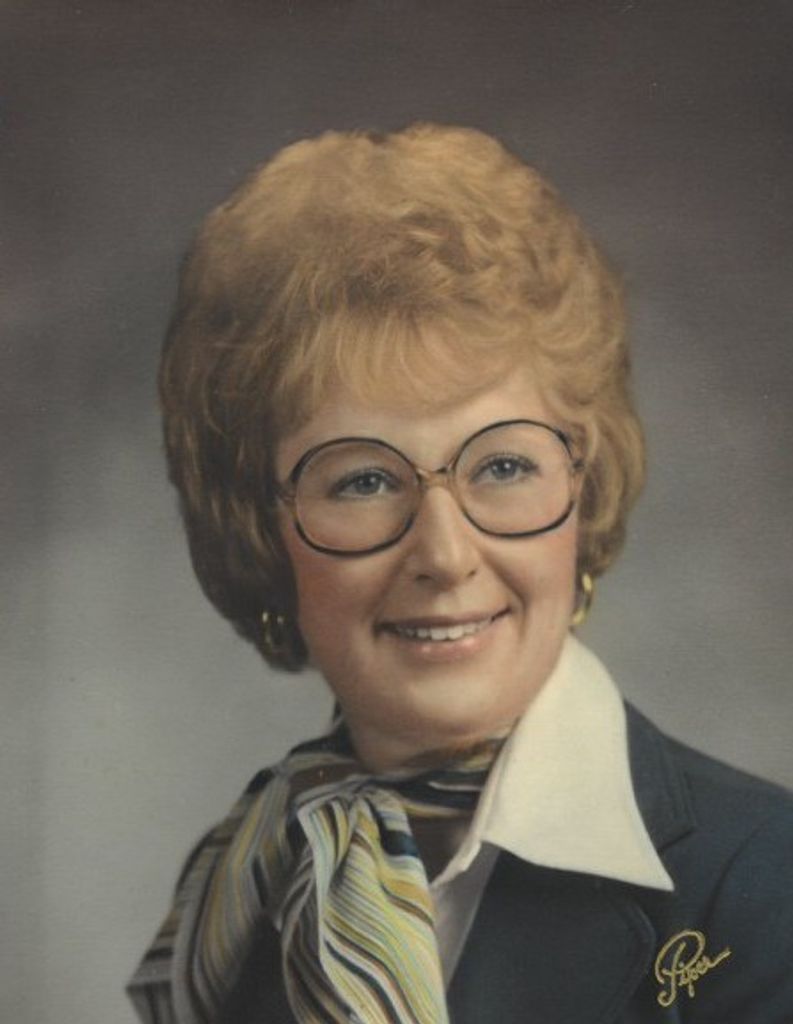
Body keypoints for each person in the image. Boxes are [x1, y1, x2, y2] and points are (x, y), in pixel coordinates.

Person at [128, 124, 793, 1023]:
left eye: (503, 466)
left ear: (584, 487)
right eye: (363, 481)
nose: (444, 556)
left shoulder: (763, 882)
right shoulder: (246, 883)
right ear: (259, 528)